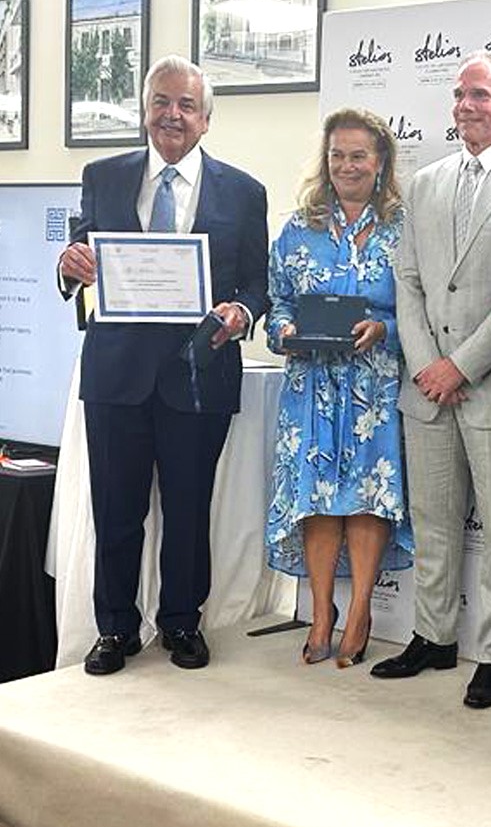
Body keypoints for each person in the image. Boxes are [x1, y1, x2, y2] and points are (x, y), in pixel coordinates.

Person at [57, 55, 269, 675]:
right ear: (144, 111)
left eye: (186, 105)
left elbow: (257, 282)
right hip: (116, 374)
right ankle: (114, 629)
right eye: (161, 102)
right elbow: (80, 254)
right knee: (116, 510)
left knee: (188, 509)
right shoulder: (103, 176)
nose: (172, 115)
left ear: (206, 119)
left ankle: (181, 621)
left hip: (200, 373)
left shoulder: (245, 191)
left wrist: (242, 313)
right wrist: (68, 267)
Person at [371, 51, 491, 709]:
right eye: (459, 94)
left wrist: (462, 366)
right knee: (433, 521)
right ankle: (433, 636)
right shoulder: (425, 182)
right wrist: (431, 365)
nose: (465, 105)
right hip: (427, 387)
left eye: (479, 94)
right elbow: (408, 281)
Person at [265, 108, 412, 667]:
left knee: (368, 498)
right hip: (310, 386)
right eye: (337, 155)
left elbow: (421, 308)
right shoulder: (298, 227)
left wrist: (385, 328)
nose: (346, 166)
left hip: (374, 387)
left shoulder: (404, 229)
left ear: (380, 162)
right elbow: (278, 301)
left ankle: (361, 612)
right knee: (318, 500)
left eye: (358, 155)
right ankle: (322, 613)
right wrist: (284, 332)